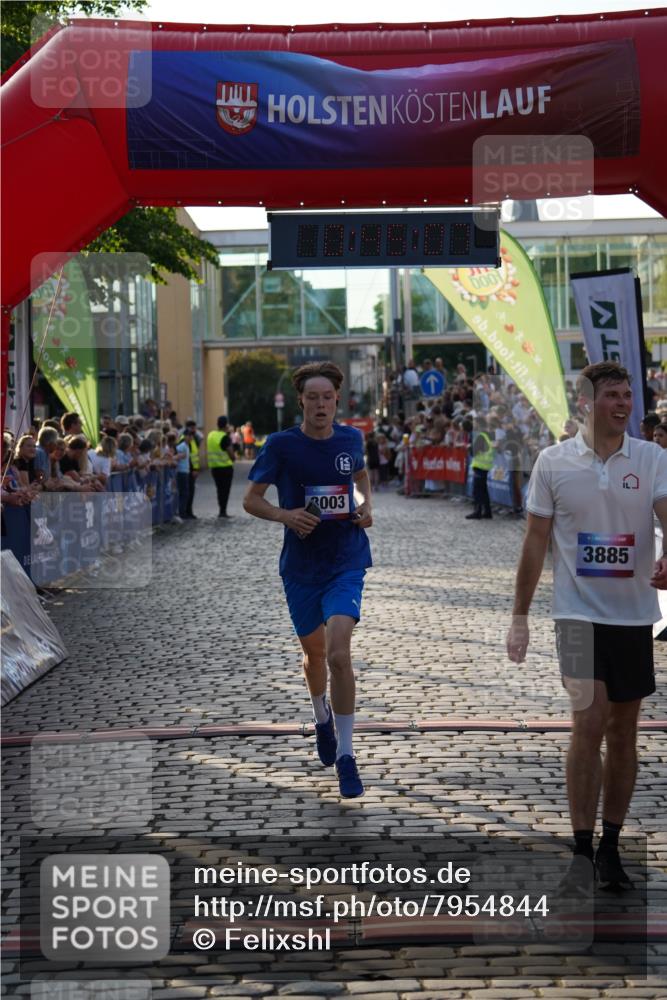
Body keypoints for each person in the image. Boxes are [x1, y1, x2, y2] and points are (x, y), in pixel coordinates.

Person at [507, 361, 667, 891]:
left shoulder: (651, 458)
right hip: (575, 615)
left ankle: (611, 847)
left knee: (623, 732)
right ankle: (580, 849)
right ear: (587, 403)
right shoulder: (553, 463)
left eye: (628, 396)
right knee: (589, 720)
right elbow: (534, 542)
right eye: (612, 396)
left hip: (633, 616)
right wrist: (520, 616)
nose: (623, 404)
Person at [243, 361, 373, 798]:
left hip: (346, 559)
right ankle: (321, 718)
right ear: (301, 400)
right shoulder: (281, 445)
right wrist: (286, 515)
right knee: (314, 656)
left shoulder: (351, 438)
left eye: (328, 397)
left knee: (339, 654)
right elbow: (251, 500)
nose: (321, 404)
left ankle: (347, 756)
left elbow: (358, 478)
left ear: (338, 399)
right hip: (300, 567)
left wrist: (364, 506)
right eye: (313, 397)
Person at [466, 415, 494, 519]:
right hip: (485, 466)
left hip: (480, 466)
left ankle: (477, 511)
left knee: (477, 490)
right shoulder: (487, 435)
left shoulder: (481, 436)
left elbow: (474, 452)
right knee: (483, 490)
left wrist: (469, 447)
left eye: (475, 423)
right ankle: (487, 511)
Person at [207, 415, 235, 518]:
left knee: (219, 489)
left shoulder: (211, 435)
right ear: (226, 425)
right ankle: (223, 511)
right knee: (225, 490)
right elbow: (231, 455)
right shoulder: (225, 437)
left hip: (214, 468)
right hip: (225, 468)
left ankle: (221, 510)